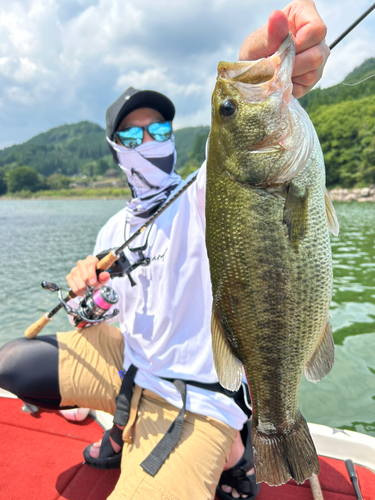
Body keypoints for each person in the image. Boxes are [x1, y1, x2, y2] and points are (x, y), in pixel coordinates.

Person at [0, 2, 330, 499]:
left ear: (174, 137)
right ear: (116, 149)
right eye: (133, 133)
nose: (149, 139)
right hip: (132, 364)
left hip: (198, 397)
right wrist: (85, 291)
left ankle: (236, 453)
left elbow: (238, 154)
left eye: (159, 129)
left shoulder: (205, 192)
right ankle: (121, 424)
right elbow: (101, 315)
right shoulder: (114, 227)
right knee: (15, 365)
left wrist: (251, 64)